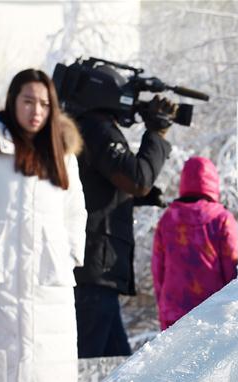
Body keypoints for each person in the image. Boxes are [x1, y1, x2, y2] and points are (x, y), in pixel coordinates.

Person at [0, 69, 88, 382]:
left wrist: (66, 257)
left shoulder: (61, 155)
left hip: (50, 291)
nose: (36, 110)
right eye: (28, 101)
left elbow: (74, 212)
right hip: (0, 287)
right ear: (13, 101)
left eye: (44, 103)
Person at [72, 65, 174, 357]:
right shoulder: (97, 129)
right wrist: (157, 133)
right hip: (95, 271)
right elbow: (138, 179)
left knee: (115, 368)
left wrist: (138, 198)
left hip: (98, 270)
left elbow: (97, 188)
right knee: (91, 365)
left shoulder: (87, 127)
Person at [151, 156, 238, 330]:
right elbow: (234, 268)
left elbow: (157, 271)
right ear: (213, 182)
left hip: (174, 316)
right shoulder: (222, 219)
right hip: (213, 314)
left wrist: (163, 307)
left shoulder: (168, 219)